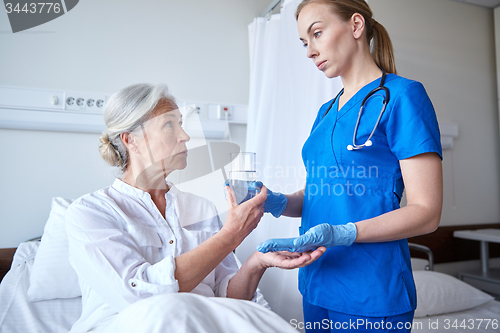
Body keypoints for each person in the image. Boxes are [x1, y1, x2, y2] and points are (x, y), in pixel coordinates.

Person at [65, 83, 325, 333]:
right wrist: (231, 235)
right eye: (169, 124)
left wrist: (257, 263)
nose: (185, 136)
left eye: (181, 123)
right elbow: (140, 295)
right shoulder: (91, 213)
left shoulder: (200, 208)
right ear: (131, 140)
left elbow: (229, 296)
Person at [252, 0, 443, 332]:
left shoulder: (402, 97)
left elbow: (427, 212)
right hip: (317, 281)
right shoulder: (325, 113)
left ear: (356, 26)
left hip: (371, 289)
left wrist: (344, 233)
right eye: (304, 42)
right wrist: (278, 201)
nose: (310, 51)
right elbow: (323, 192)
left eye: (317, 33)